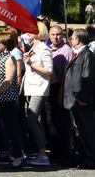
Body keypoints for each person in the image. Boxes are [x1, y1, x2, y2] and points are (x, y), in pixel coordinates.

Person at [0, 32, 24, 168]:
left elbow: (8, 80)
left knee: (10, 127)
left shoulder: (10, 59)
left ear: (5, 43)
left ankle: (18, 155)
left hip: (7, 99)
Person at [22, 22, 53, 166]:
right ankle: (41, 150)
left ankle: (42, 153)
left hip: (39, 88)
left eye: (31, 30)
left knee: (32, 119)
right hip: (32, 87)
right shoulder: (34, 47)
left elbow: (49, 71)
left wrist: (31, 64)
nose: (28, 32)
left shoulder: (44, 49)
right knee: (36, 120)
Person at [64, 28, 95, 169]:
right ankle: (83, 156)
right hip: (73, 100)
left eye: (72, 38)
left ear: (77, 40)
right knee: (79, 130)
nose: (71, 40)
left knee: (87, 130)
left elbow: (88, 78)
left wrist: (83, 98)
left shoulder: (87, 55)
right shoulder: (78, 54)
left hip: (81, 100)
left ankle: (90, 158)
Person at [47, 25, 73, 165]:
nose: (55, 37)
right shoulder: (48, 48)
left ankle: (63, 153)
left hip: (60, 89)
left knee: (61, 123)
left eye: (58, 34)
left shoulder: (66, 50)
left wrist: (61, 93)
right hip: (49, 89)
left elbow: (67, 75)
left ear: (62, 35)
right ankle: (54, 150)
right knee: (51, 122)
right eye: (53, 34)